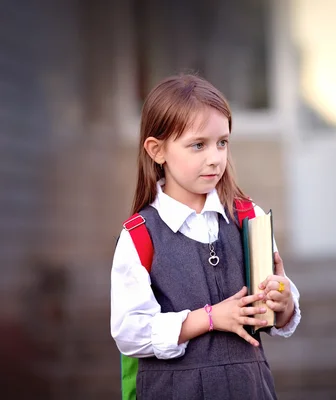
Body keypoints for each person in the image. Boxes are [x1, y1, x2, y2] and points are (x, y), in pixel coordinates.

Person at [110, 74, 301, 399]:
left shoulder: (249, 217)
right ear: (157, 151)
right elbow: (129, 332)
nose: (215, 157)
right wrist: (209, 318)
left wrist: (284, 302)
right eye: (198, 145)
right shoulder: (140, 235)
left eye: (222, 142)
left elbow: (277, 316)